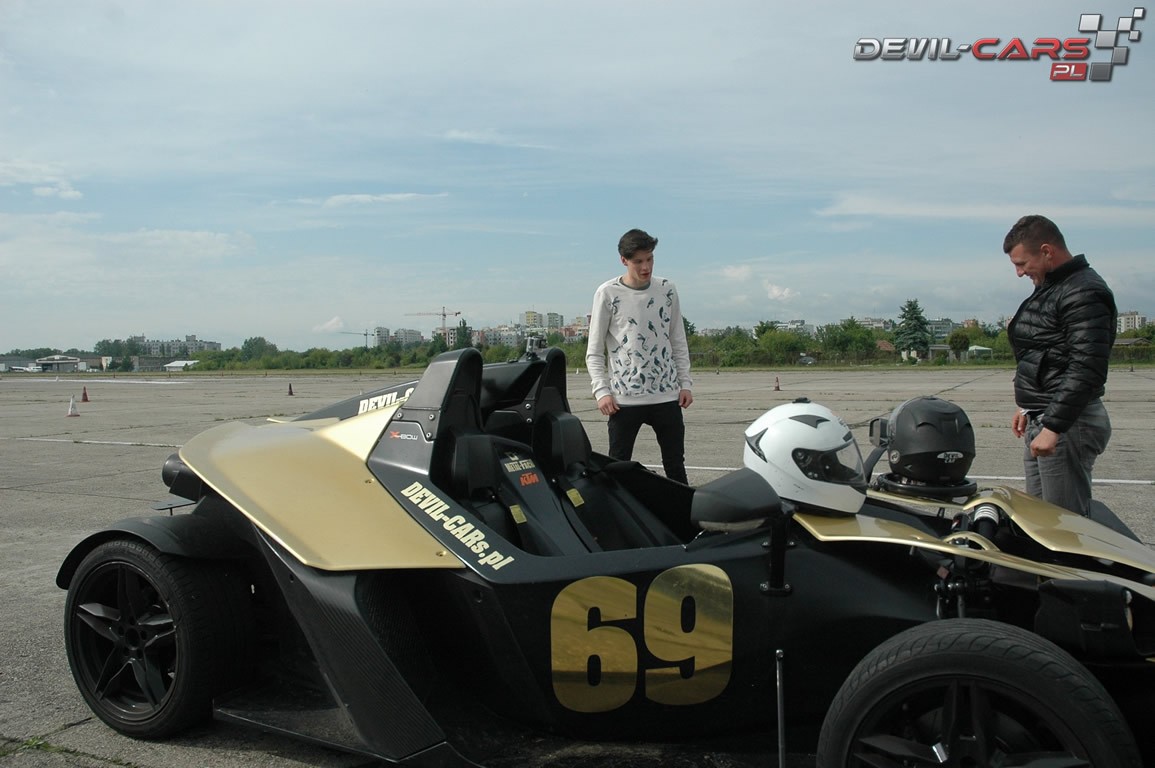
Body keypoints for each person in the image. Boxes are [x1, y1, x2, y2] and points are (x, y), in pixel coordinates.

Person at [1004, 214, 1116, 515]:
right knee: (1040, 522)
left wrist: (1054, 426)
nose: (1019, 272)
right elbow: (1044, 352)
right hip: (1046, 416)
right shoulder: (1054, 287)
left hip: (1068, 424)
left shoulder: (1083, 291)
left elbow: (1087, 367)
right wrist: (1027, 404)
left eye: (1022, 263)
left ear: (1046, 251)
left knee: (1064, 525)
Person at [586, 228, 693, 484]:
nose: (646, 267)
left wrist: (685, 383)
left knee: (676, 466)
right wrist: (601, 391)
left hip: (666, 395)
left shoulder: (667, 290)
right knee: (617, 468)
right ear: (624, 260)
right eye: (638, 261)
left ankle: (682, 510)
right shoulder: (607, 293)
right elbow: (594, 350)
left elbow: (678, 339)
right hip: (624, 399)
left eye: (650, 259)